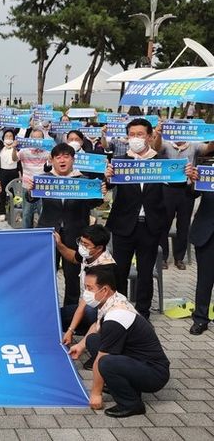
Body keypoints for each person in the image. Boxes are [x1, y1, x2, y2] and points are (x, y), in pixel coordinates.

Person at [68, 267, 170, 418]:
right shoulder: (113, 299)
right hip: (136, 360)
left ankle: (131, 403)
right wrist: (80, 345)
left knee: (105, 362)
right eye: (85, 287)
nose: (86, 293)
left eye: (90, 288)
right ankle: (119, 384)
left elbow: (102, 357)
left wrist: (96, 393)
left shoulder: (116, 317)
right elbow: (96, 326)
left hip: (154, 373)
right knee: (92, 340)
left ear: (104, 290)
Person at [104, 118, 178, 319]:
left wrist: (186, 175)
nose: (135, 138)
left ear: (150, 136)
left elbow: (178, 184)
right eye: (132, 135)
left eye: (140, 134)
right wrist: (108, 176)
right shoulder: (120, 161)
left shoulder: (161, 162)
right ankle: (119, 312)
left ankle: (143, 314)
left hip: (151, 225)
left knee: (146, 272)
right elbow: (108, 186)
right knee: (119, 271)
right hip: (124, 225)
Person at [25, 143, 105, 305]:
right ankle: (46, 308)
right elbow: (31, 199)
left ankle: (70, 311)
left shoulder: (83, 181)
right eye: (58, 157)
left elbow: (93, 203)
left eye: (66, 157)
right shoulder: (44, 179)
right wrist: (30, 190)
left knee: (72, 276)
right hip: (48, 232)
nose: (62, 160)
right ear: (52, 161)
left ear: (73, 160)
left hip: (75, 234)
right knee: (46, 274)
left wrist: (100, 193)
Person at [55, 225, 116, 353]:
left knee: (89, 311)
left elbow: (84, 304)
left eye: (86, 244)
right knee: (57, 316)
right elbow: (73, 257)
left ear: (99, 248)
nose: (82, 246)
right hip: (89, 304)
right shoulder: (89, 253)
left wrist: (70, 330)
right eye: (81, 242)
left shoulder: (104, 269)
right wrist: (59, 245)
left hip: (105, 312)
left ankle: (98, 342)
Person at [156, 135, 214, 270]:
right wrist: (158, 133)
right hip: (167, 188)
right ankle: (163, 257)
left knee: (184, 225)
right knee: (164, 224)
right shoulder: (166, 144)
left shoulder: (194, 144)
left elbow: (208, 148)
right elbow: (156, 147)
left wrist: (211, 136)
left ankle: (179, 258)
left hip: (186, 190)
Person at [186, 165, 214, 335]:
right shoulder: (208, 170)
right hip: (207, 231)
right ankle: (201, 318)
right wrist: (192, 181)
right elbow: (191, 194)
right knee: (205, 279)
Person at [15, 128, 49, 228]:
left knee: (42, 212)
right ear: (30, 139)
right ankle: (26, 234)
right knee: (26, 213)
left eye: (39, 138)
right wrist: (13, 148)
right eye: (34, 138)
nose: (36, 140)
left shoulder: (48, 152)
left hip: (43, 187)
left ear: (43, 139)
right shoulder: (24, 151)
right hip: (27, 185)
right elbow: (14, 159)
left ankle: (42, 233)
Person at [0, 129, 20, 221]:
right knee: (2, 193)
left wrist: (14, 148)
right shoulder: (1, 146)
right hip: (3, 172)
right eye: (7, 136)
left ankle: (13, 211)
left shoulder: (17, 147)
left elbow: (15, 159)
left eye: (10, 136)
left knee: (13, 193)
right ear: (3, 137)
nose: (9, 138)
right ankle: (2, 212)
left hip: (13, 172)